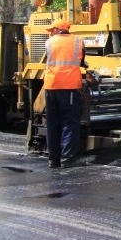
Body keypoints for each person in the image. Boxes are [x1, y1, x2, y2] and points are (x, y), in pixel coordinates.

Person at [43, 19, 87, 168]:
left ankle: (53, 159)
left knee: (52, 123)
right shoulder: (78, 41)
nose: (51, 33)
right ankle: (67, 158)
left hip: (50, 87)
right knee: (69, 122)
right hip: (68, 87)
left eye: (52, 30)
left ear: (59, 29)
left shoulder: (49, 43)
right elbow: (82, 62)